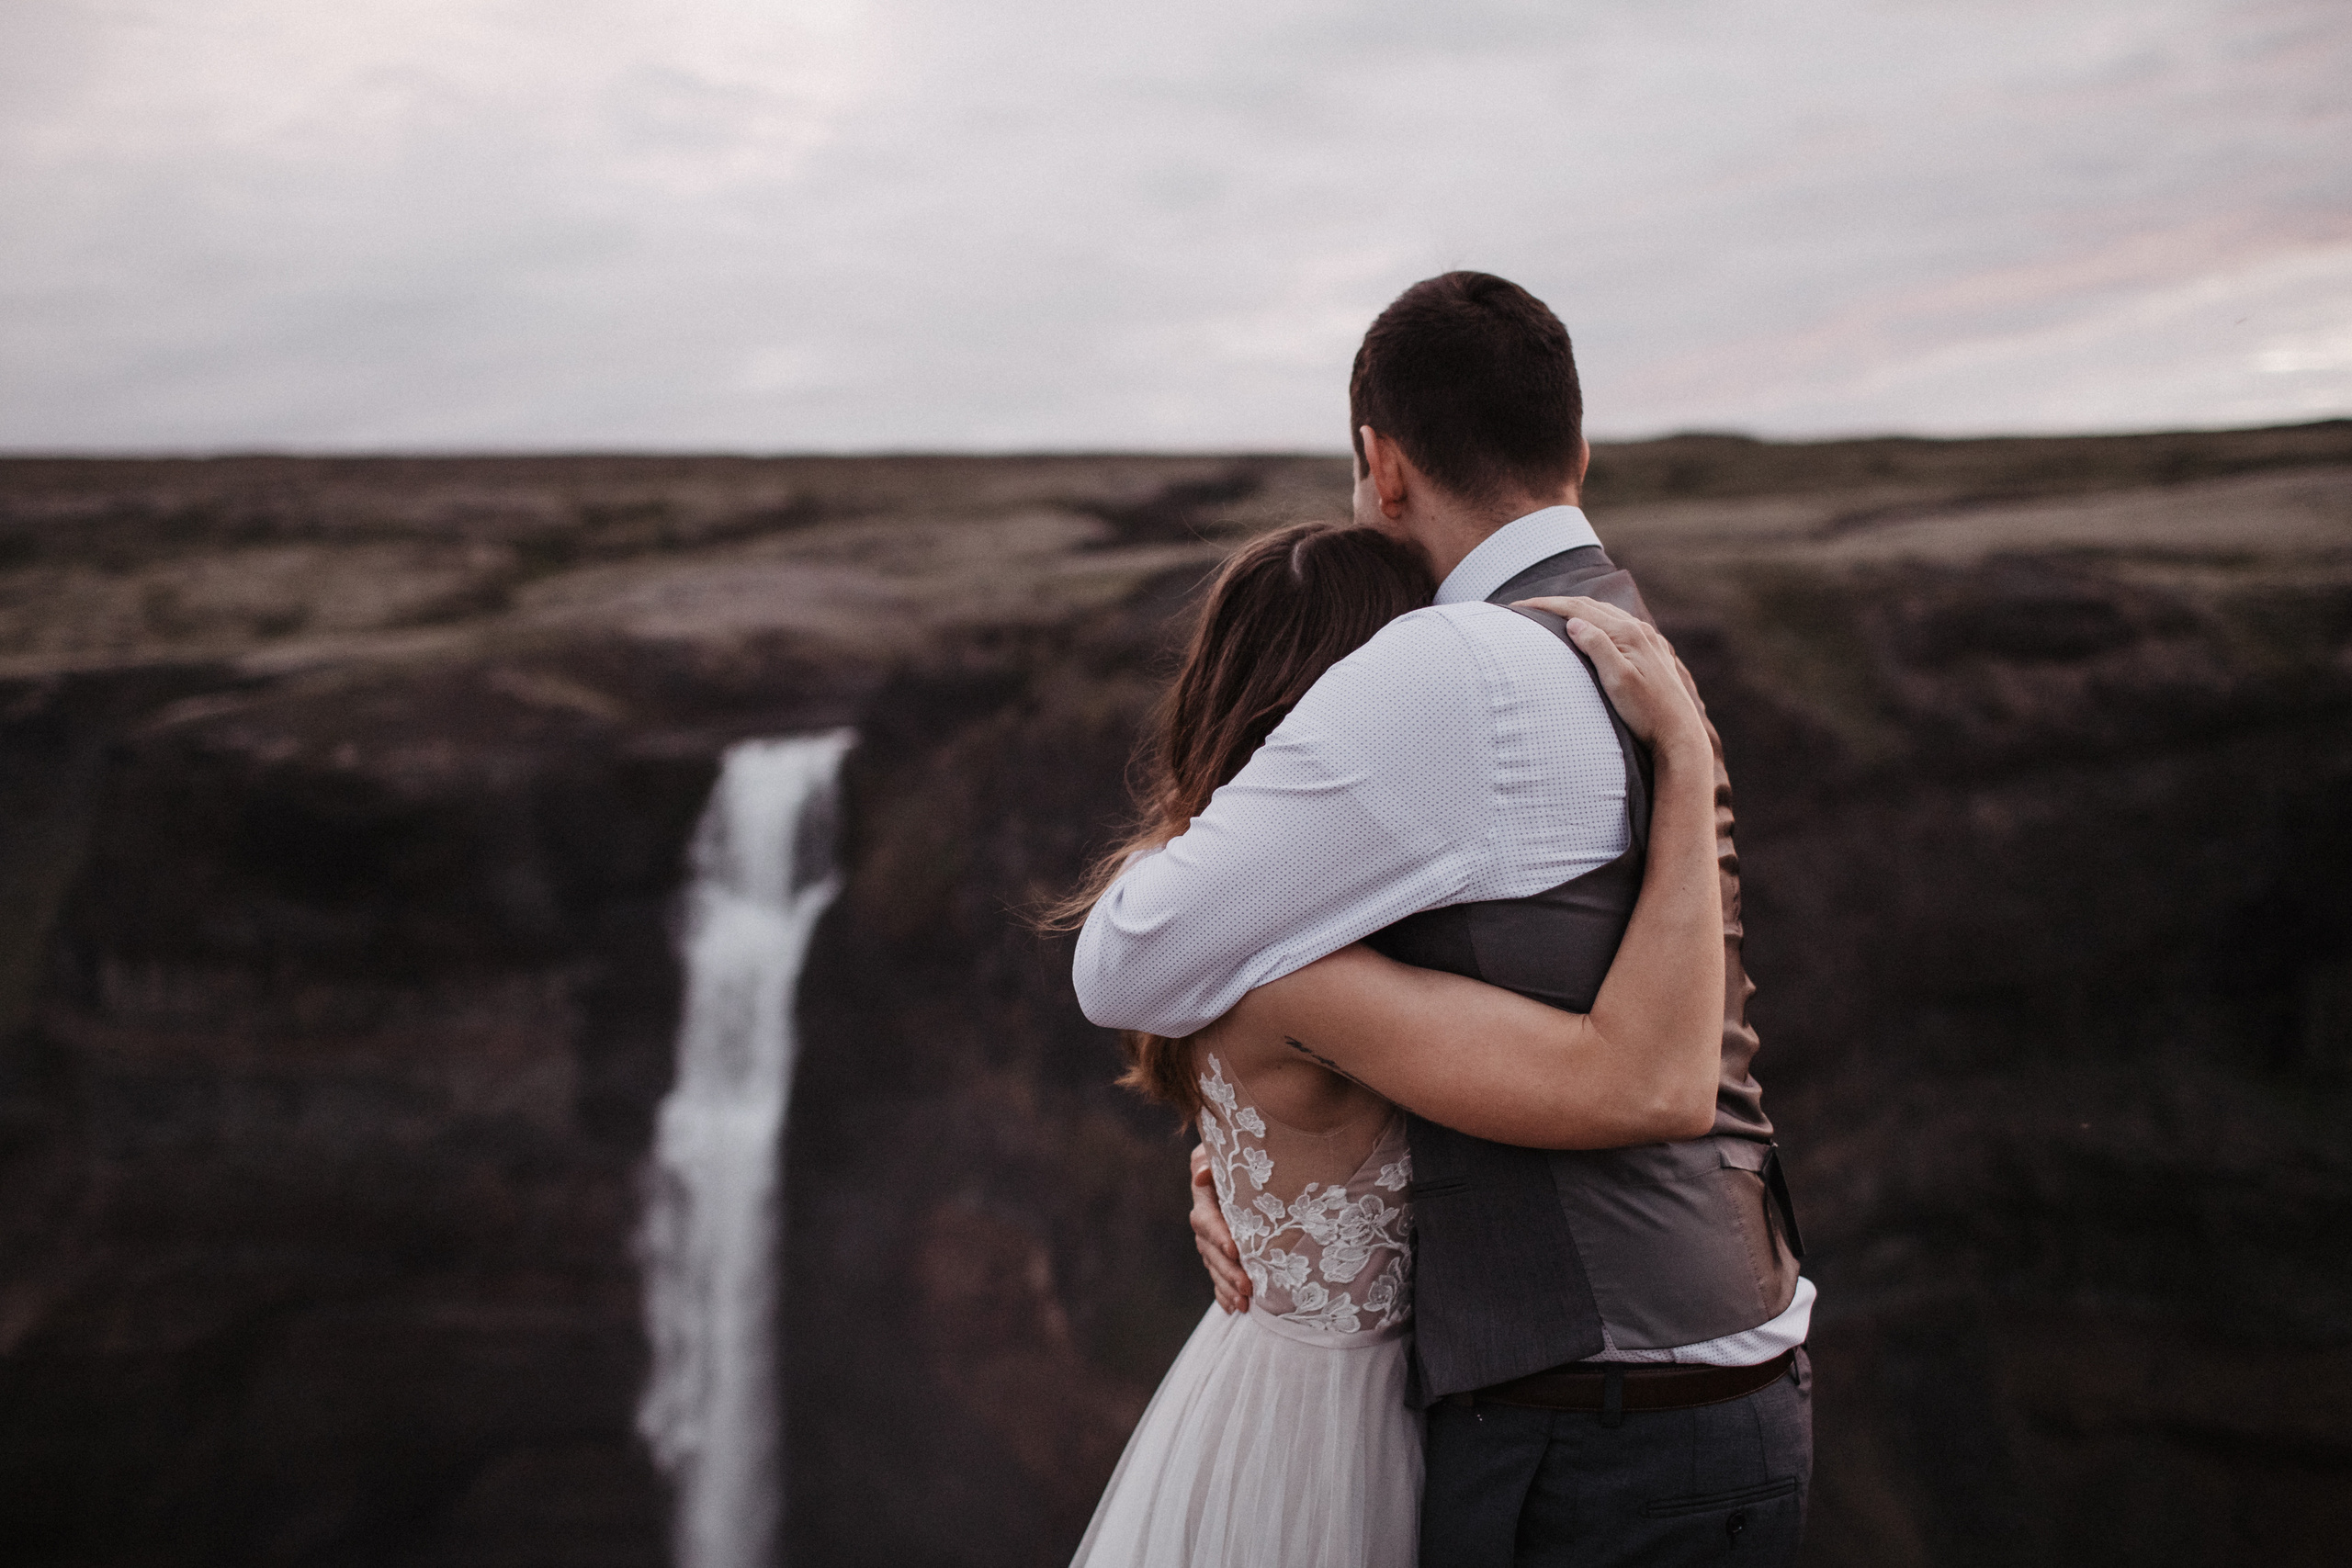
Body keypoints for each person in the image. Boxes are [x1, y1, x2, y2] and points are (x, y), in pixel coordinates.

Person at [1076, 273, 1812, 1567]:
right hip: (1714, 1375)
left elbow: (1127, 956)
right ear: (1577, 451)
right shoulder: (1631, 642)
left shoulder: (1448, 662)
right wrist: (1260, 1167)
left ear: (1384, 464)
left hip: (1593, 1416)